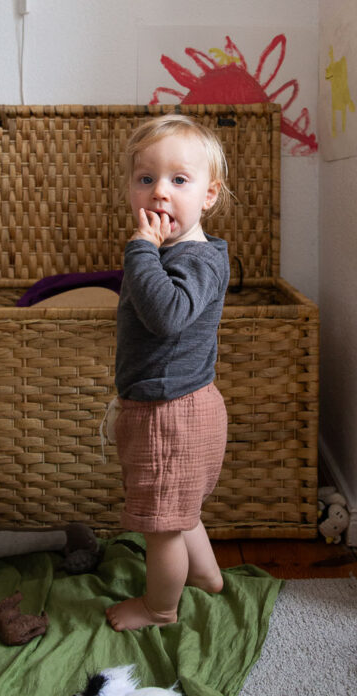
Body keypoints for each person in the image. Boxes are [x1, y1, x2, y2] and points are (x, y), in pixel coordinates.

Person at [105, 113, 231, 631]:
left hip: (171, 415)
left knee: (160, 526)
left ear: (208, 195)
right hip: (169, 406)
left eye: (179, 180)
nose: (160, 193)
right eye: (146, 178)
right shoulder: (169, 254)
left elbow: (168, 315)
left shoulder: (194, 259)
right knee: (180, 512)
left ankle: (160, 608)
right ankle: (207, 577)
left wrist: (140, 251)